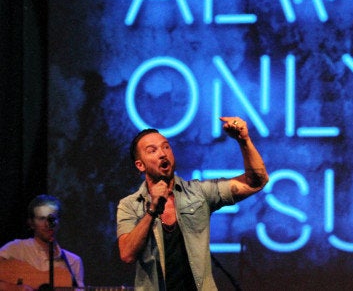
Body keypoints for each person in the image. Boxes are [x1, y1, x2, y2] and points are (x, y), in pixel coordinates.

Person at [117, 116, 269, 290]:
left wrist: (244, 141)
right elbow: (127, 254)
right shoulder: (129, 205)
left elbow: (256, 181)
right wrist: (152, 210)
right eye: (152, 150)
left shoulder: (199, 193)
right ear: (140, 165)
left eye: (166, 146)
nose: (162, 153)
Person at [0, 194, 85, 289]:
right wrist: (13, 288)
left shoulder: (73, 262)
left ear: (59, 222)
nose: (47, 224)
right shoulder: (16, 249)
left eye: (52, 219)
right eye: (41, 218)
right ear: (31, 223)